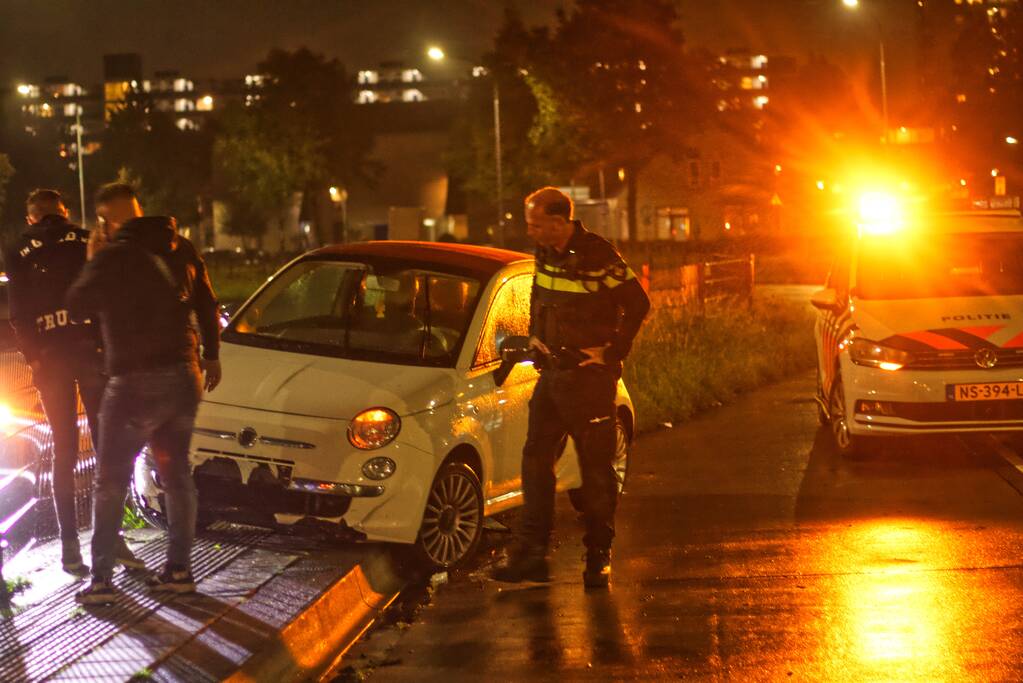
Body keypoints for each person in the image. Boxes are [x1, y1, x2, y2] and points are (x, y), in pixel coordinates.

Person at [69, 183, 222, 605]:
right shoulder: (180, 246)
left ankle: (101, 581)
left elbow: (78, 304)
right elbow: (207, 303)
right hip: (184, 375)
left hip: (134, 382)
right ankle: (179, 572)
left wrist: (93, 259)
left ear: (106, 220)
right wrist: (211, 355)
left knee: (110, 480)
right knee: (177, 476)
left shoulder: (113, 256)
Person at [493, 187, 650, 589]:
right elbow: (539, 295)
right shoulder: (545, 252)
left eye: (536, 224)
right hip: (552, 376)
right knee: (535, 462)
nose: (530, 232)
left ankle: (598, 555)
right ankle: (531, 556)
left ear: (559, 222)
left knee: (595, 470)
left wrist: (612, 351)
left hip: (589, 380)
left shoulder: (598, 255)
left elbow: (638, 304)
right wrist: (534, 335)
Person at [3, 189, 143, 575]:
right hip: (90, 353)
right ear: (64, 213)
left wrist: (35, 359)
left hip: (51, 362)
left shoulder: (16, 249)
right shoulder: (85, 239)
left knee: (63, 452)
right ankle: (112, 538)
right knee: (104, 447)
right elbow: (108, 294)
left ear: (31, 218)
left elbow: (18, 314)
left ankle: (69, 549)